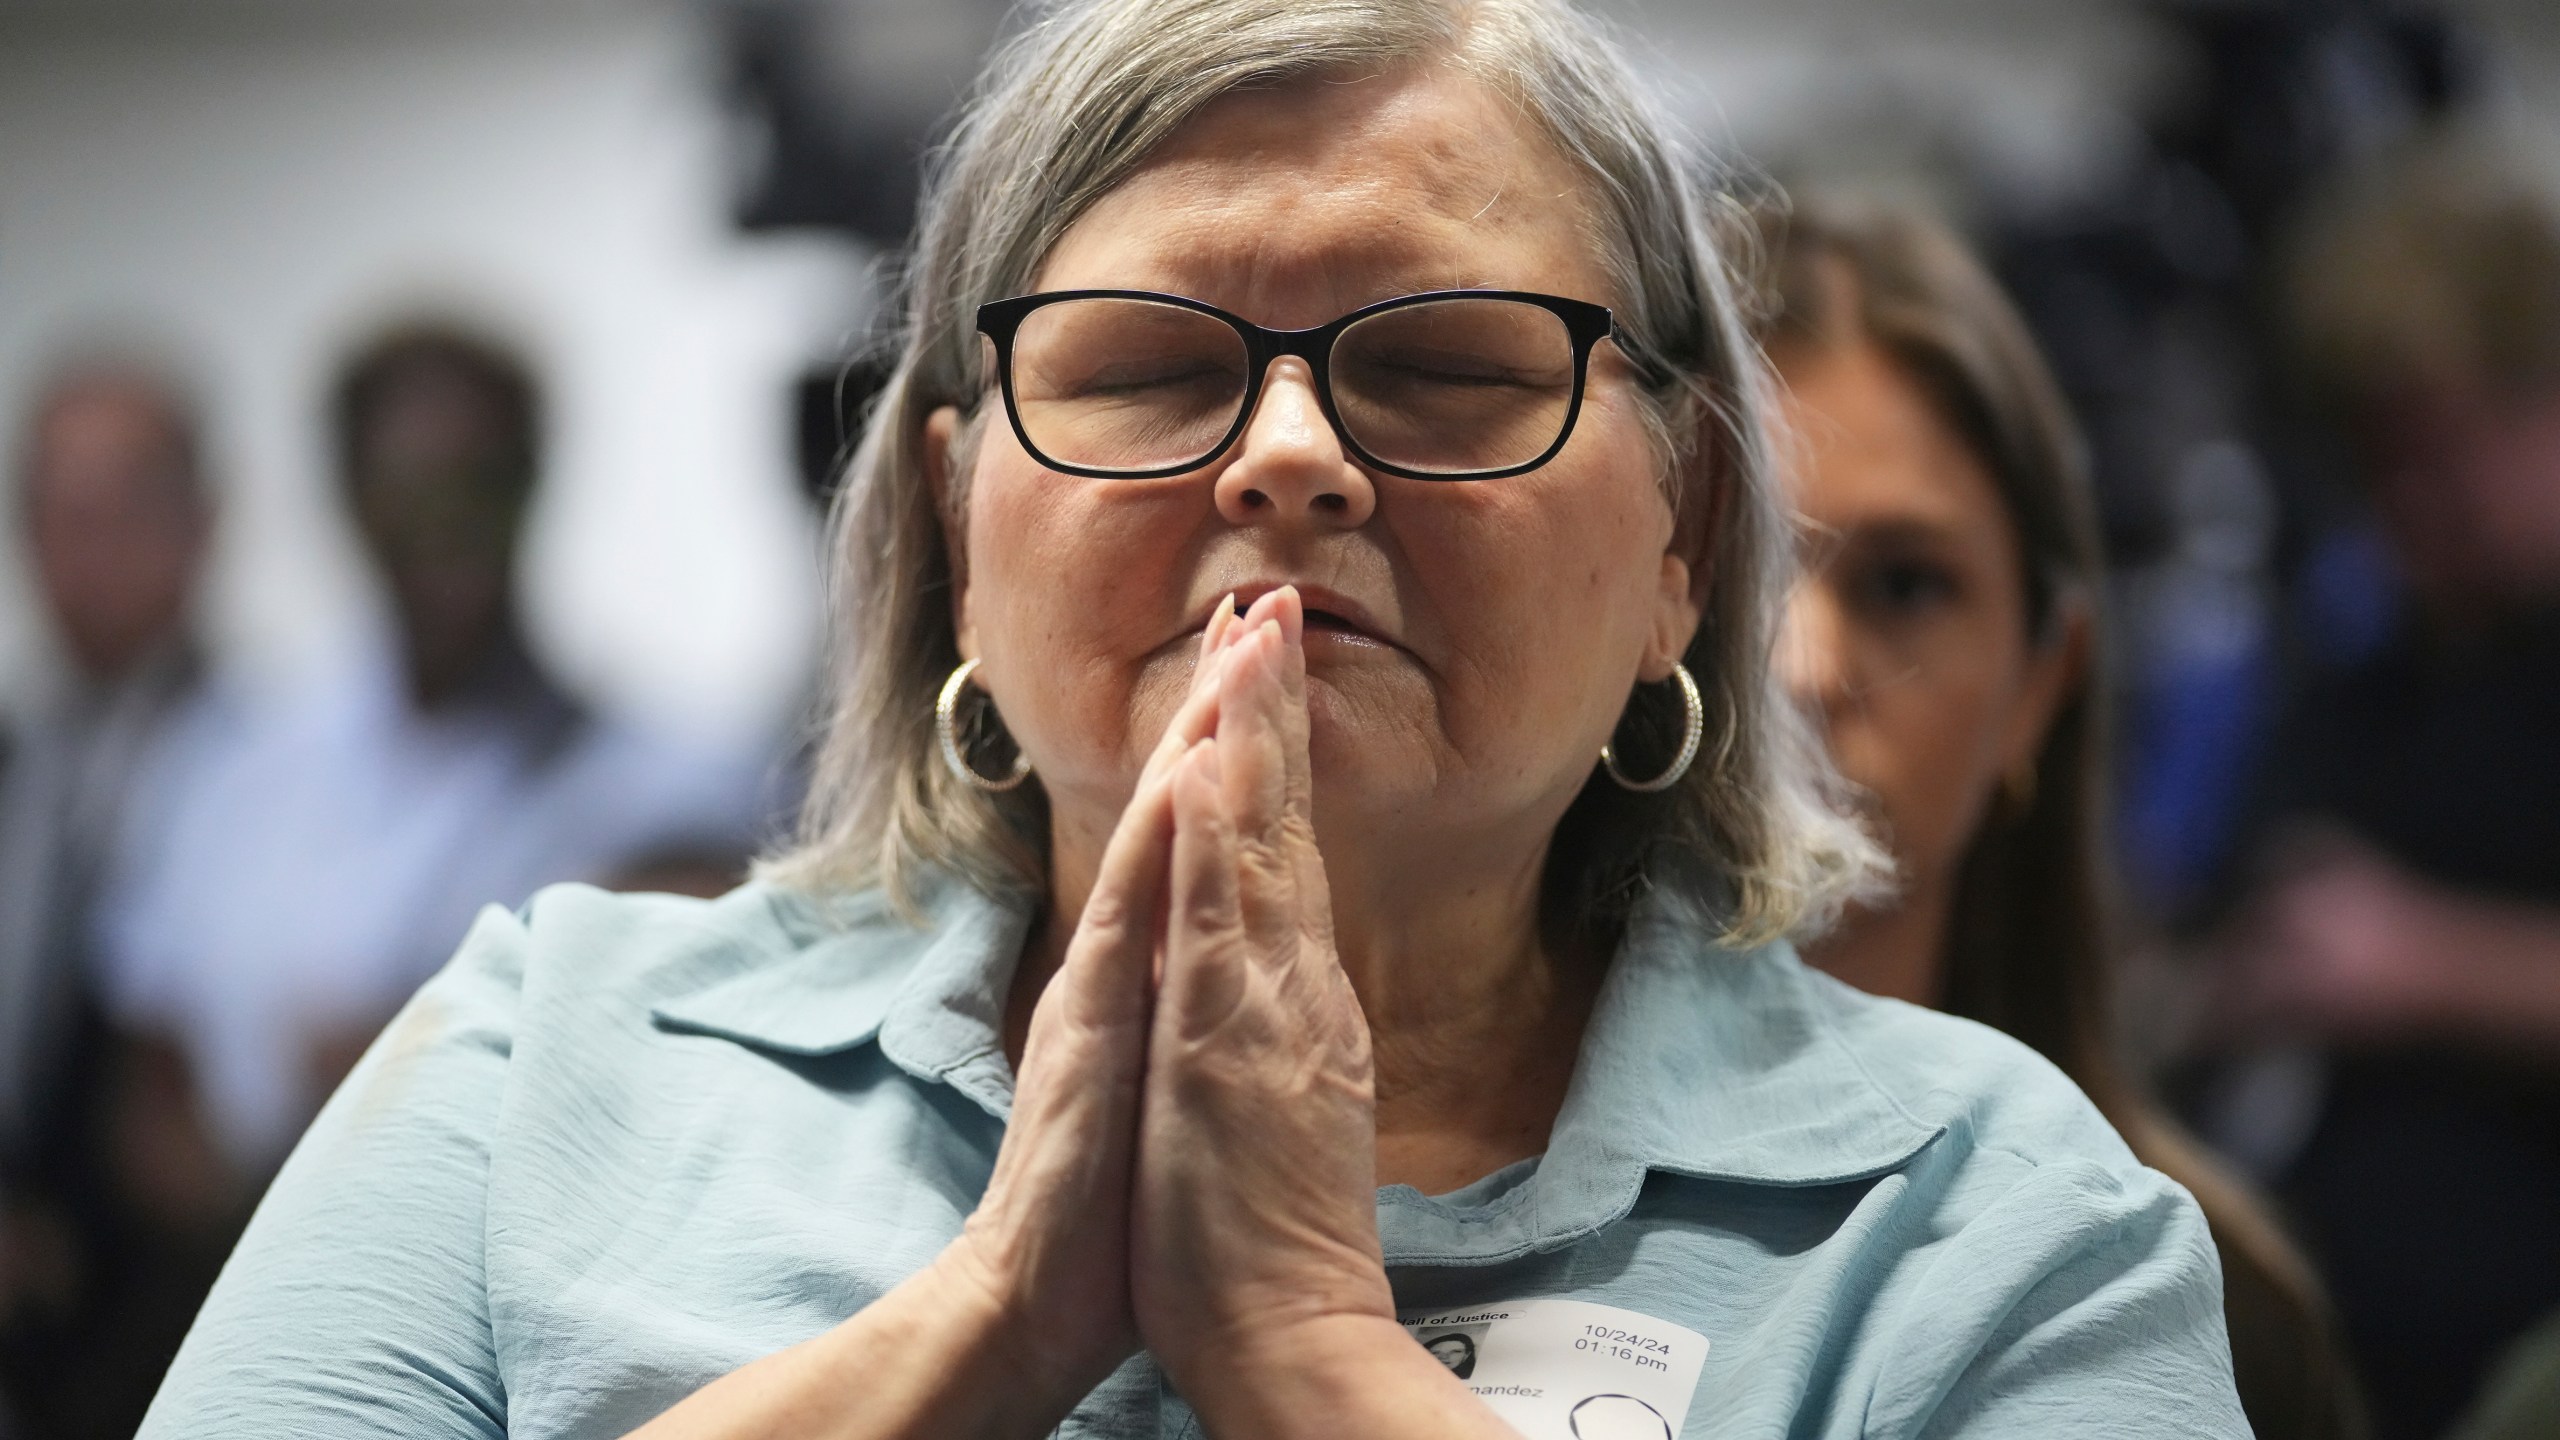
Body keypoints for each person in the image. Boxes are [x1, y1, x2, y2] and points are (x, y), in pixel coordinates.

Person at [138, 2, 2252, 1436]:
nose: (1287, 460)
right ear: (961, 520)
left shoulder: (1989, 1219)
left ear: (1680, 536)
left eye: (1443, 363)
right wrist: (981, 1328)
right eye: (1149, 364)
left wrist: (1312, 1358)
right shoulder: (553, 1059)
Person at [1760, 197, 2368, 1440]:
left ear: (2040, 683)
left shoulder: (2191, 1295)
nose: (1800, 668)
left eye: (1903, 584)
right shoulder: (1372, 1194)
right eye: (1735, 564)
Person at [94, 322, 768, 1188]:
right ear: (348, 497)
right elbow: (153, 1080)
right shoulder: (226, 773)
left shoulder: (671, 784)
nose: (447, 523)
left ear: (534, 480)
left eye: (479, 483)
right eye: (410, 488)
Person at [2191, 138, 2560, 1440]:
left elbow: (2390, 952)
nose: (2406, 507)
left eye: (2439, 454)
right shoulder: (2379, 669)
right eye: (2378, 461)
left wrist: (2426, 963)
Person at [0, 360, 229, 1439]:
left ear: (202, 523)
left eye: (120, 510)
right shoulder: (20, 756)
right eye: (52, 509)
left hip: (180, 1320)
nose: (82, 550)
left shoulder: (271, 765)